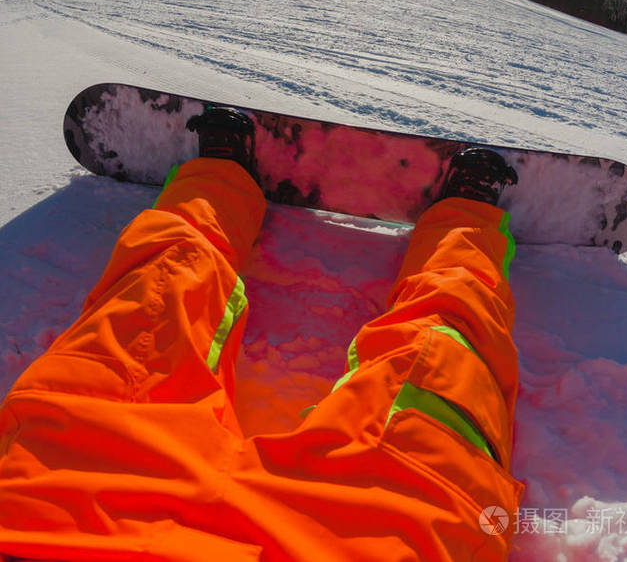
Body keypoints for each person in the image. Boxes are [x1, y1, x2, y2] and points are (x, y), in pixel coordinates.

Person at [0, 108, 523, 562]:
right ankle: (466, 222)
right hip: (363, 539)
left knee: (153, 300)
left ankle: (219, 178)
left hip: (68, 512)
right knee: (443, 360)